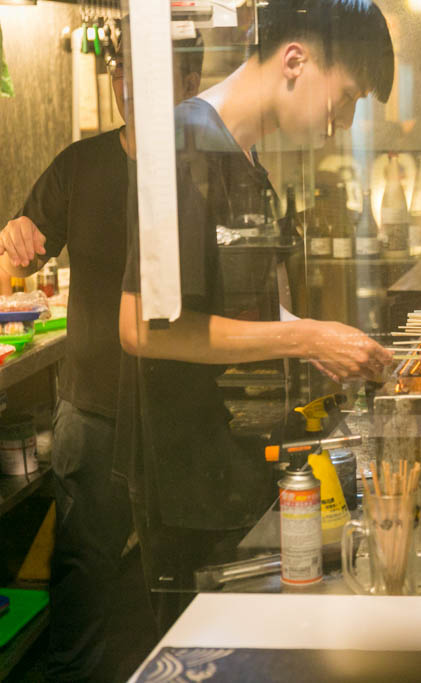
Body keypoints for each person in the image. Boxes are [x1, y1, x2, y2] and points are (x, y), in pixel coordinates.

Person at [113, 0, 394, 628]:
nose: (342, 122)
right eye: (345, 96)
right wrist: (306, 335)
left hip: (236, 471)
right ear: (295, 61)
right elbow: (141, 327)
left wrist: (318, 339)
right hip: (190, 486)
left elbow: (234, 301)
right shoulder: (189, 144)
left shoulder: (243, 159)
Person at [0, 36, 203, 681]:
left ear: (189, 77)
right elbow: (13, 261)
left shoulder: (203, 167)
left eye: (149, 71)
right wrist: (9, 243)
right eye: (123, 70)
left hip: (177, 417)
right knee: (83, 589)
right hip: (92, 414)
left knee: (180, 594)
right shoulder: (80, 165)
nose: (129, 83)